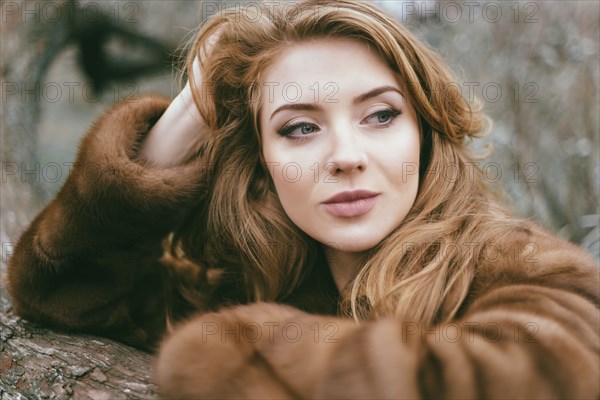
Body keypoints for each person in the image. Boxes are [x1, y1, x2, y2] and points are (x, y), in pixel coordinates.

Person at [7, 0, 599, 398]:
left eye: (381, 115)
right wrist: (184, 120)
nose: (346, 155)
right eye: (299, 128)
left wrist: (246, 352)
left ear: (423, 134)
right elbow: (63, 287)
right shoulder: (253, 279)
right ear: (261, 165)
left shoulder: (518, 264)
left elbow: (552, 374)